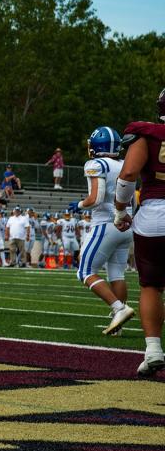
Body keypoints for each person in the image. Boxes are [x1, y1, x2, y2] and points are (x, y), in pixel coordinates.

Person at [114, 89, 165, 376]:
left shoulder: (147, 135)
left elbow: (129, 175)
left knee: (151, 285)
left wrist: (121, 210)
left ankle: (154, 349)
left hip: (155, 215)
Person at [66, 127, 135, 335]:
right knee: (117, 273)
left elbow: (96, 198)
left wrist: (78, 205)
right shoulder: (125, 163)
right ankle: (118, 324)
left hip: (106, 223)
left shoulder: (97, 164)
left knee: (85, 271)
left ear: (98, 145)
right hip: (126, 225)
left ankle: (119, 308)